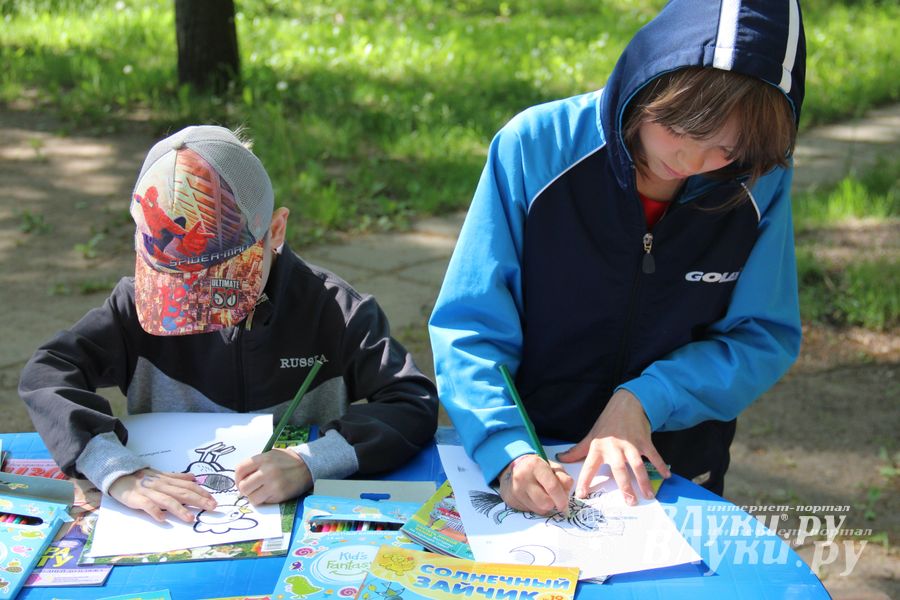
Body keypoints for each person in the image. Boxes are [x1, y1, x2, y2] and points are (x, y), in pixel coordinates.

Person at [429, 0, 806, 516]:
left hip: (674, 465)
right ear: (648, 83)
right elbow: (470, 325)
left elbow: (762, 335)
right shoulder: (535, 146)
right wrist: (507, 447)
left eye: (726, 148)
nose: (691, 161)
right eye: (680, 130)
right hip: (534, 453)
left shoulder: (761, 179)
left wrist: (648, 398)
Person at [20, 125, 439, 523]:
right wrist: (114, 468)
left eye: (220, 279)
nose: (200, 301)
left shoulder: (335, 311)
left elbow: (411, 399)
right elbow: (47, 374)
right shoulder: (131, 308)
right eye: (178, 285)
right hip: (165, 526)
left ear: (275, 230)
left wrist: (311, 462)